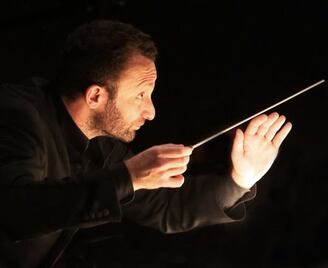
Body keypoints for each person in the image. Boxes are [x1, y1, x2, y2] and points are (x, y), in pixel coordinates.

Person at [0, 20, 292, 267]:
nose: (151, 112)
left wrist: (241, 178)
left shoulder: (101, 145)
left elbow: (166, 207)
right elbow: (18, 210)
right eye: (141, 95)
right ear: (95, 97)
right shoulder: (16, 115)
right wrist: (129, 176)